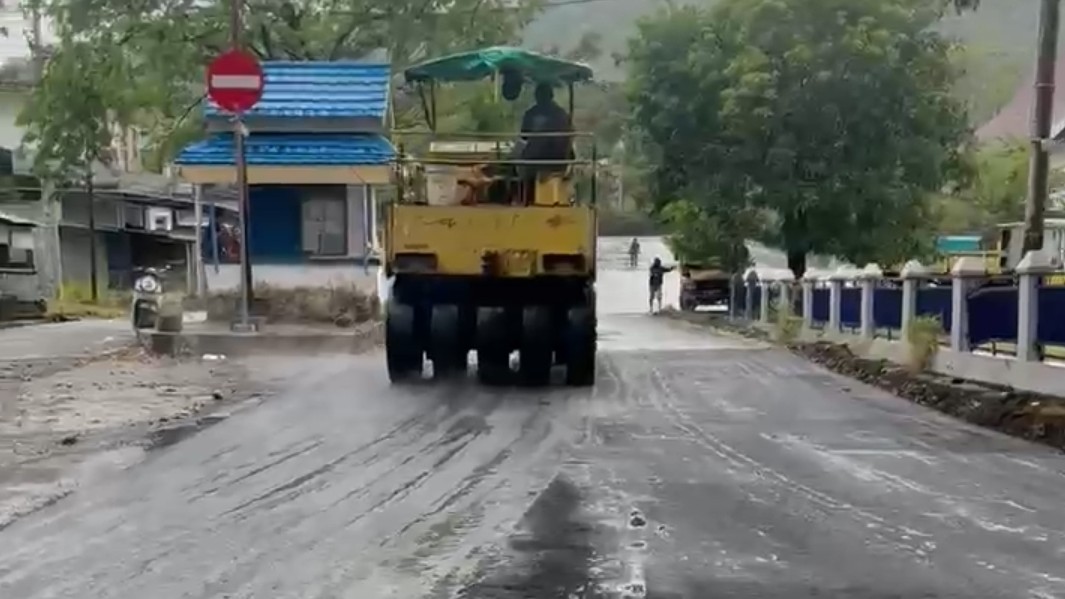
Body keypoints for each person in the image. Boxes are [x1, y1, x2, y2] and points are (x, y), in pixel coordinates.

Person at [520, 82, 573, 174]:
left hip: (538, 158)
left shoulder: (531, 113)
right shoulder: (561, 113)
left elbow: (524, 136)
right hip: (559, 159)